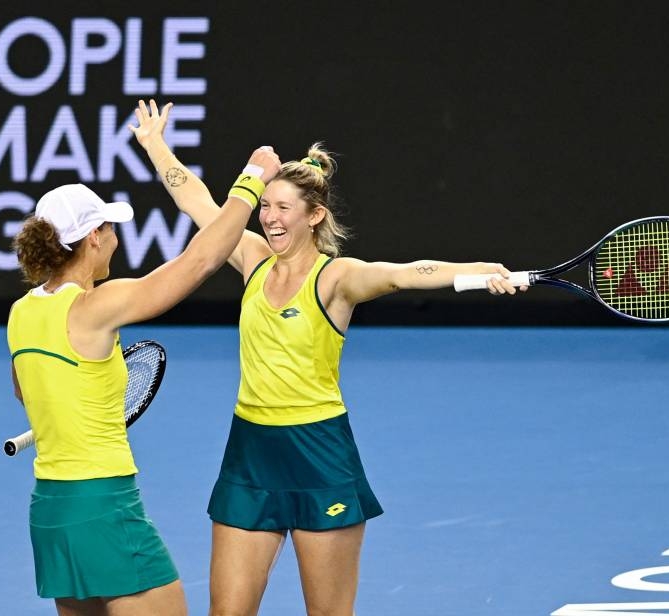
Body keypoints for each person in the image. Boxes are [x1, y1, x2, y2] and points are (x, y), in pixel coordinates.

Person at [141, 138, 527, 616]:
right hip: (250, 454)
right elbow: (196, 199)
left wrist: (481, 270)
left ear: (314, 215)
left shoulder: (339, 278)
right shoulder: (252, 259)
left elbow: (405, 274)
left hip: (319, 455)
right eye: (265, 206)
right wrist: (157, 146)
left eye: (283, 207)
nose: (270, 217)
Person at [6, 100, 280, 616]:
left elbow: (27, 390)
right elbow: (200, 260)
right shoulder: (94, 307)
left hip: (52, 513)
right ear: (92, 238)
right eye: (109, 228)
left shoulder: (21, 313)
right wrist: (250, 182)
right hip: (103, 507)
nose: (115, 237)